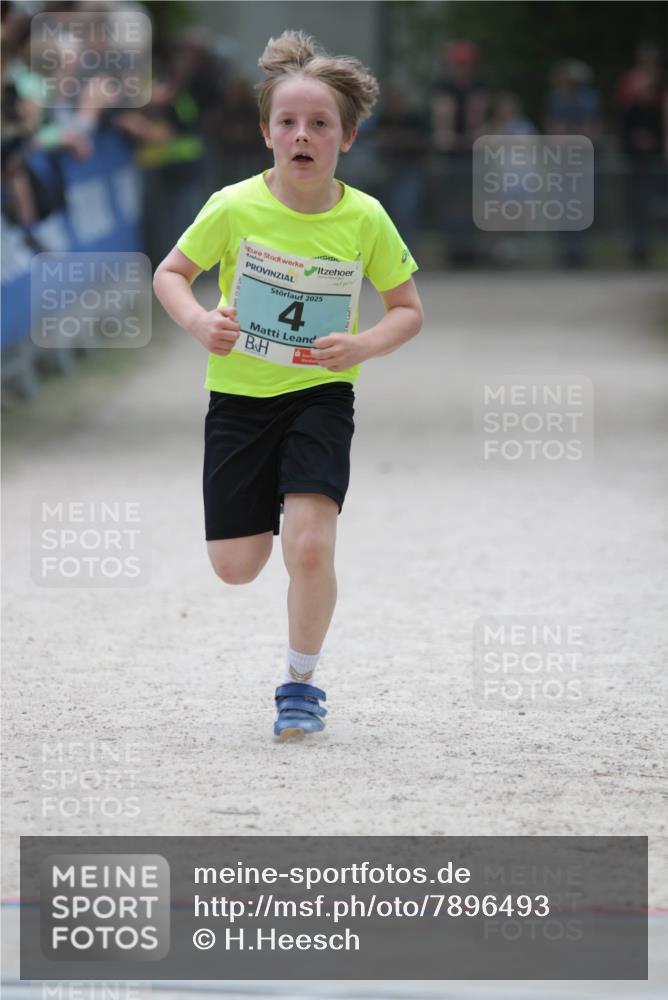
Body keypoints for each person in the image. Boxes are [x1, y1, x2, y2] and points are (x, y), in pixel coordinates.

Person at [153, 31, 423, 740]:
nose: (303, 135)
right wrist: (199, 321)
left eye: (320, 123)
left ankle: (300, 684)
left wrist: (361, 345)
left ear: (347, 137)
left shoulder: (364, 217)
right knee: (236, 566)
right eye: (289, 122)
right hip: (240, 400)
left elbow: (407, 311)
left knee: (308, 547)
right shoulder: (232, 206)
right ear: (266, 132)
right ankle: (273, 494)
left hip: (320, 397)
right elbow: (170, 274)